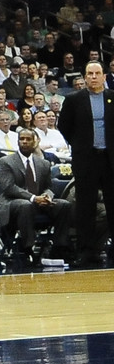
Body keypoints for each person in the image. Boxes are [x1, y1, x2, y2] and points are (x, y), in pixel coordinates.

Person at [58, 60, 114, 267]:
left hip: (110, 159)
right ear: (84, 76)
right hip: (86, 159)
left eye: (97, 73)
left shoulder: (112, 98)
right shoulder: (74, 99)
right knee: (85, 207)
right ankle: (87, 251)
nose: (93, 77)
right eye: (89, 73)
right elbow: (64, 126)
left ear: (104, 77)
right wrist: (80, 145)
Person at [0, 127, 72, 267]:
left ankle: (59, 248)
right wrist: (33, 198)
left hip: (37, 202)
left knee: (63, 205)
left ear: (35, 142)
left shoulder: (44, 163)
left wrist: (46, 196)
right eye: (21, 139)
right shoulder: (5, 161)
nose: (24, 142)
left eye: (28, 139)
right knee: (26, 205)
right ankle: (27, 249)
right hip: (12, 203)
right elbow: (9, 188)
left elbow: (49, 187)